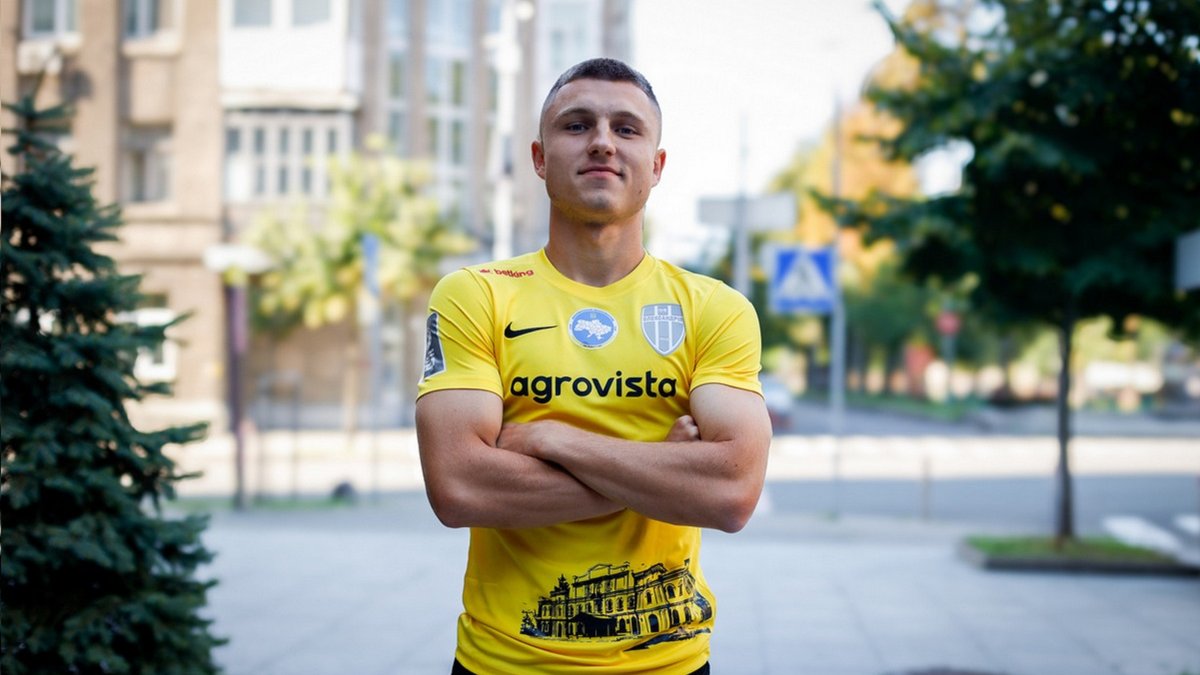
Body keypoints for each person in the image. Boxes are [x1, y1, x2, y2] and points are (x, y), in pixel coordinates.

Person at [416, 57, 771, 674]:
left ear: (656, 166)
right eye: (577, 125)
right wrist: (660, 468)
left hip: (669, 664)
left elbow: (731, 494)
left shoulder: (714, 308)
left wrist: (551, 439)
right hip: (503, 663)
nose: (603, 142)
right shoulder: (476, 295)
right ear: (539, 157)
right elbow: (459, 487)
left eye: (626, 129)